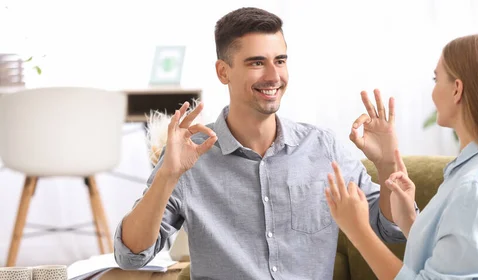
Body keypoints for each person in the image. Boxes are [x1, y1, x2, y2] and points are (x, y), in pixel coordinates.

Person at [113, 7, 412, 280]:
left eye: (279, 61)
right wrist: (168, 176)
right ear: (223, 72)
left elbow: (390, 228)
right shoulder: (191, 156)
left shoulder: (322, 147)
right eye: (257, 62)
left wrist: (386, 165)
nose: (273, 76)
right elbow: (131, 256)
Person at [325, 34, 478, 280]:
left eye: (436, 79)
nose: (432, 92)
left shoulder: (475, 186)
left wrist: (357, 230)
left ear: (457, 89)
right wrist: (410, 221)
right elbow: (456, 261)